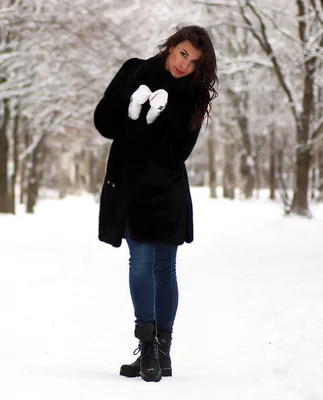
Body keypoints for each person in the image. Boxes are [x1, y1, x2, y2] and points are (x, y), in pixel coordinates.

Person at [93, 25, 218, 382]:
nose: (185, 65)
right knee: (141, 262)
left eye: (194, 62)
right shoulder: (134, 72)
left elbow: (176, 152)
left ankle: (162, 350)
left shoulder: (193, 96)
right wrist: (133, 112)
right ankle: (147, 345)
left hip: (166, 192)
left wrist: (147, 123)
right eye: (183, 53)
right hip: (130, 188)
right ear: (171, 46)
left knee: (164, 269)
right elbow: (104, 122)